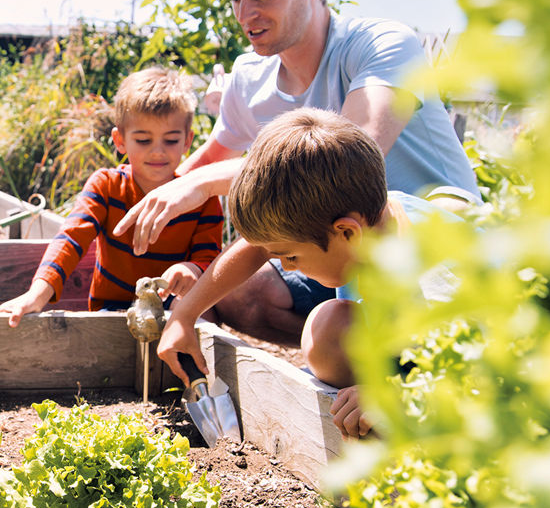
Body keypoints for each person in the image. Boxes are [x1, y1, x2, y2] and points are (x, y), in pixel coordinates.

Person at [114, 0, 478, 347]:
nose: (246, 16)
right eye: (235, 0)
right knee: (239, 295)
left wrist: (202, 184)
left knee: (321, 321)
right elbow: (198, 167)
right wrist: (116, 206)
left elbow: (347, 162)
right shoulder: (250, 78)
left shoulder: (380, 46)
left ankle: (379, 356)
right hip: (323, 245)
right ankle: (340, 351)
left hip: (424, 248)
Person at [156, 108, 463, 439]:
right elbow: (259, 246)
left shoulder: (436, 278)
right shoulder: (367, 220)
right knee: (328, 329)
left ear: (347, 233)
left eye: (290, 256)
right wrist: (184, 316)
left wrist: (397, 394)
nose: (285, 266)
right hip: (406, 347)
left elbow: (491, 374)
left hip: (463, 378)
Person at [0, 68, 223, 326]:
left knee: (204, 317)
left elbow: (209, 258)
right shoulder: (107, 186)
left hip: (174, 308)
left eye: (171, 140)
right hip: (112, 310)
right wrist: (37, 294)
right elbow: (71, 238)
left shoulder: (202, 198)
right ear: (120, 140)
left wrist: (192, 269)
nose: (158, 151)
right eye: (143, 140)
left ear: (187, 141)